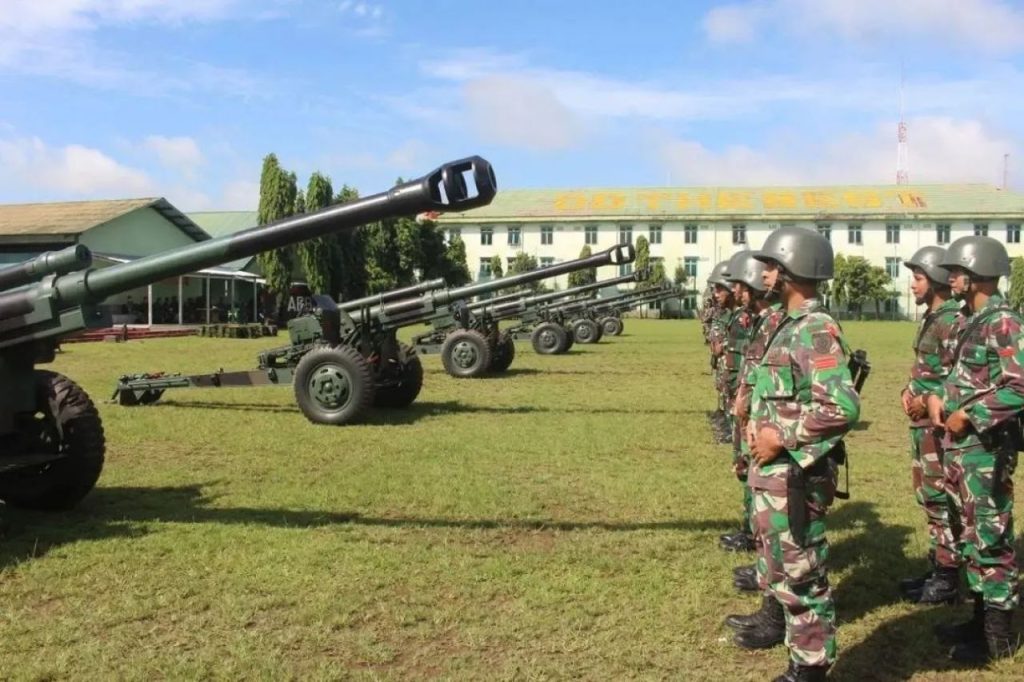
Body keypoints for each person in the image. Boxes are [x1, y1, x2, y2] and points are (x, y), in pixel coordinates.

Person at [730, 226, 860, 682]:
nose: (764, 272)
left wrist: (779, 436)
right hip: (775, 477)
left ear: (789, 270)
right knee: (782, 569)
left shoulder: (815, 330)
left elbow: (841, 407)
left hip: (794, 476)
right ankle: (798, 656)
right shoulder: (788, 326)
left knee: (802, 575)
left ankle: (810, 669)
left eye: (771, 265)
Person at [926, 235, 1021, 664]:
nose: (951, 278)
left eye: (957, 271)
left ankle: (999, 639)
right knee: (969, 536)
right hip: (960, 450)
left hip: (985, 449)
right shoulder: (970, 318)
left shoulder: (1003, 321)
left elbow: (1018, 385)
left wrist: (971, 415)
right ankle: (979, 621)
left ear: (978, 273)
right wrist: (940, 398)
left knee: (991, 539)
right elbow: (964, 375)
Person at [897, 246, 964, 604]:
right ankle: (939, 564)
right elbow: (926, 367)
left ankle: (949, 575)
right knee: (928, 496)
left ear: (937, 280)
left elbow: (962, 377)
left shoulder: (951, 321)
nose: (912, 285)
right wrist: (908, 391)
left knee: (941, 497)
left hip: (939, 426)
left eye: (918, 278)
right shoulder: (932, 317)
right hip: (921, 425)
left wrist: (929, 398)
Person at [723, 251, 786, 582]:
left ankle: (766, 562)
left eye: (741, 287)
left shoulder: (777, 322)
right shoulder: (763, 322)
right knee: (752, 482)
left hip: (770, 426)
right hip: (755, 418)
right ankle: (761, 555)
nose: (737, 293)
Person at [718, 251, 759, 552]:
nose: (734, 291)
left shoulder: (764, 322)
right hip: (743, 404)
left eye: (740, 285)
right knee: (744, 469)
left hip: (759, 413)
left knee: (753, 471)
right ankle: (750, 529)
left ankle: (755, 533)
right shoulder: (750, 319)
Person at [707, 260, 735, 443]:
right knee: (724, 390)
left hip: (733, 364)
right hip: (724, 362)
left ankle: (732, 428)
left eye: (719, 289)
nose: (715, 294)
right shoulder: (723, 312)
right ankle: (727, 422)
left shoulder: (741, 315)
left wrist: (723, 346)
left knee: (731, 392)